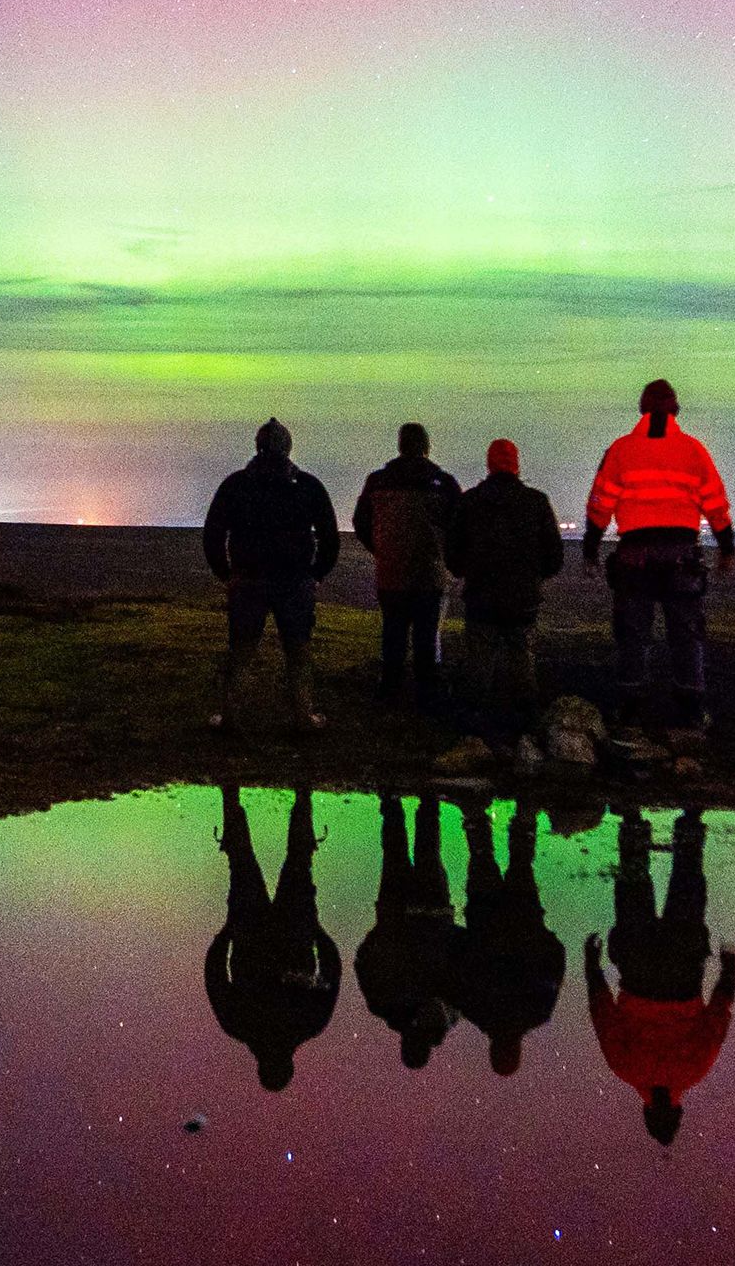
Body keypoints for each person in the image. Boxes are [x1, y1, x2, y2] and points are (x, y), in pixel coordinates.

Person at [582, 378, 735, 732]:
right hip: (682, 555)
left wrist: (590, 548)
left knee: (633, 633)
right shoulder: (693, 451)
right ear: (675, 411)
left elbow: (600, 503)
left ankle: (631, 707)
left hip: (634, 558)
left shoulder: (621, 450)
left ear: (642, 409)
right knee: (687, 632)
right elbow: (715, 503)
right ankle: (691, 710)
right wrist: (727, 547)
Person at [584, 805, 735, 1145]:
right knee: (633, 888)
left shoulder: (695, 1071)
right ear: (645, 1112)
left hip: (683, 972)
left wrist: (729, 970)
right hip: (637, 969)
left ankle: (690, 822)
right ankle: (633, 820)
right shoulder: (625, 1069)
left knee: (687, 886)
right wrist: (592, 967)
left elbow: (718, 1018)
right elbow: (602, 1014)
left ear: (679, 1112)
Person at [202, 418, 341, 733]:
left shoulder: (236, 485)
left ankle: (231, 716)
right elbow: (330, 537)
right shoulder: (308, 486)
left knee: (241, 650)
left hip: (249, 580)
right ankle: (303, 715)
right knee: (298, 650)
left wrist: (226, 574)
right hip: (293, 581)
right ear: (288, 447)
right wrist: (316, 574)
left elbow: (213, 534)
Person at [205, 784, 343, 1092]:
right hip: (258, 932)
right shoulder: (238, 1025)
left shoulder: (309, 1025)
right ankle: (232, 794)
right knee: (244, 861)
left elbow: (332, 971)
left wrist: (318, 932)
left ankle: (301, 794)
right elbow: (214, 976)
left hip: (287, 931)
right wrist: (226, 934)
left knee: (296, 859)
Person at [443, 438, 564, 728]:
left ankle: (472, 721)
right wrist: (535, 577)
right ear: (516, 464)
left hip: (481, 596)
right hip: (522, 598)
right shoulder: (536, 502)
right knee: (521, 656)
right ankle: (525, 719)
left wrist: (465, 571)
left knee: (479, 660)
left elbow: (453, 551)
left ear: (489, 464)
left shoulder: (470, 502)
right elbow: (554, 555)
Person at [451, 798, 564, 1077]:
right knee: (481, 856)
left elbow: (555, 963)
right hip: (485, 919)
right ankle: (478, 812)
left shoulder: (538, 1013)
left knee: (521, 865)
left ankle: (525, 815)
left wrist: (542, 936)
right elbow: (457, 962)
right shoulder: (474, 1010)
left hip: (523, 919)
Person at [351, 423, 461, 708]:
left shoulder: (377, 481)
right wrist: (446, 556)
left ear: (400, 445)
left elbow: (360, 522)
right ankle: (426, 695)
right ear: (426, 446)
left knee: (393, 633)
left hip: (391, 572)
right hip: (429, 572)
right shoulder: (443, 482)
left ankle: (389, 690)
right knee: (426, 636)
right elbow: (458, 525)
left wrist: (381, 550)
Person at [353, 794, 458, 1069]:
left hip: (423, 913)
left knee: (419, 851)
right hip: (410, 914)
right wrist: (380, 933)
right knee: (401, 852)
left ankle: (421, 799)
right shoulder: (385, 1005)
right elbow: (362, 961)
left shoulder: (445, 1012)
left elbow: (363, 961)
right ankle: (397, 798)